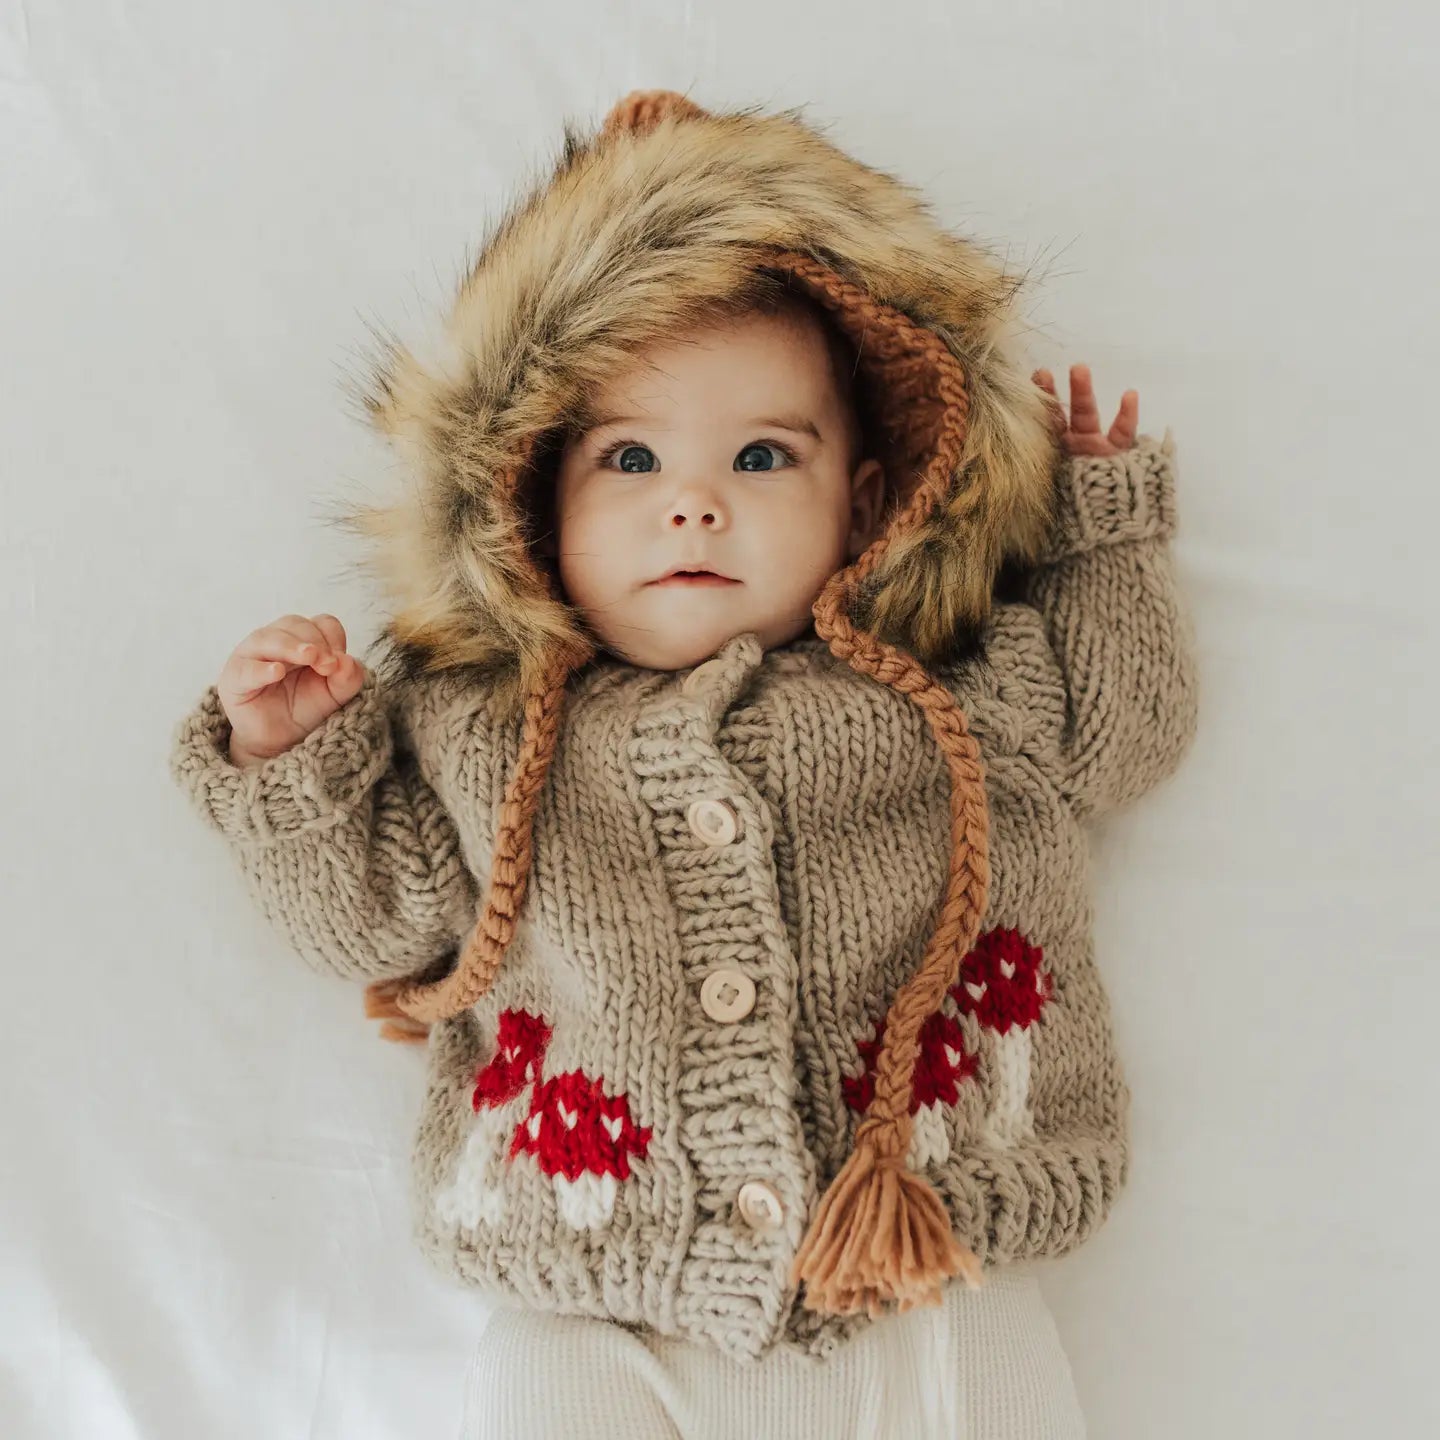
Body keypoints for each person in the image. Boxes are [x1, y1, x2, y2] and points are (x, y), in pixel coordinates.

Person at [169, 90, 1199, 1438]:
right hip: (599, 1292)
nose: (693, 500)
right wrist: (292, 759)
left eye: (764, 456)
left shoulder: (951, 693)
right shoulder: (485, 734)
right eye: (631, 459)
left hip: (917, 1263)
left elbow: (1125, 730)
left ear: (869, 506)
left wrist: (1104, 538)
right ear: (532, 500)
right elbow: (366, 918)